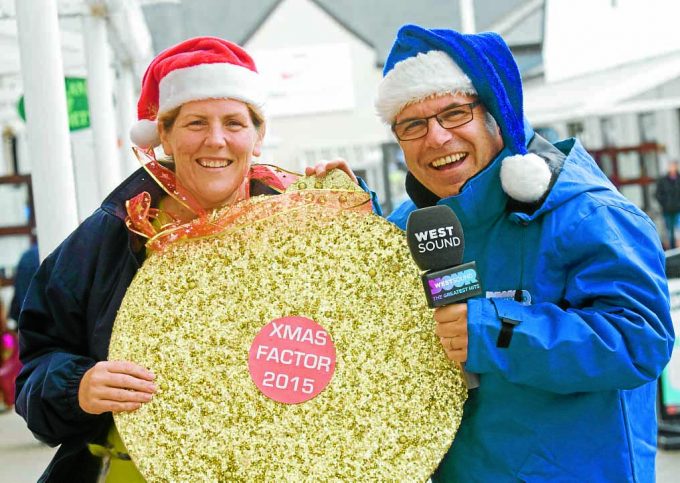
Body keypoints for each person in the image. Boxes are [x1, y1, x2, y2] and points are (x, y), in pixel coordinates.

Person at [15, 37, 372, 482]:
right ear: (164, 135)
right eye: (196, 122)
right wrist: (78, 387)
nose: (216, 140)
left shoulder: (299, 224)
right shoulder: (110, 237)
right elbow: (35, 370)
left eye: (234, 123)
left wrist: (360, 232)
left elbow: (368, 346)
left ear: (258, 137)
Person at [377, 25, 674, 482]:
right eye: (412, 125)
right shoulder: (406, 228)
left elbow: (641, 341)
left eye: (455, 113)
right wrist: (342, 213)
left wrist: (496, 330)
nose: (435, 138)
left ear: (498, 115)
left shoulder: (585, 213)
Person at [656, 160, 680, 249]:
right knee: (669, 231)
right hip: (667, 210)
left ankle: (678, 249)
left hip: (678, 210)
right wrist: (664, 204)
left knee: (678, 231)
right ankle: (672, 248)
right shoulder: (663, 180)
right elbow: (658, 194)